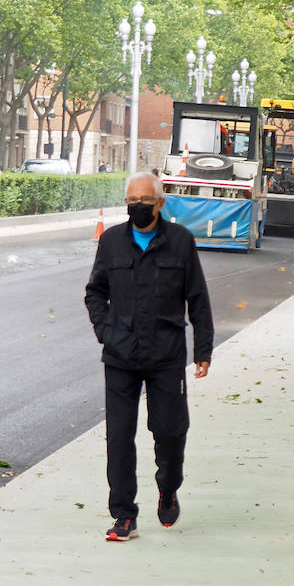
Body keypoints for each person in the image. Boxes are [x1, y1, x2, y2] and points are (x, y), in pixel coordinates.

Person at [85, 172, 214, 542]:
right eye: (131, 201)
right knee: (119, 439)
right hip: (121, 357)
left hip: (166, 356)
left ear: (160, 202)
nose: (137, 207)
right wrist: (105, 331)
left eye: (144, 200)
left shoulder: (180, 242)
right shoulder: (111, 242)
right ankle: (124, 515)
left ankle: (168, 485)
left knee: (171, 433)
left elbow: (198, 299)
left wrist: (203, 348)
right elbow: (95, 292)